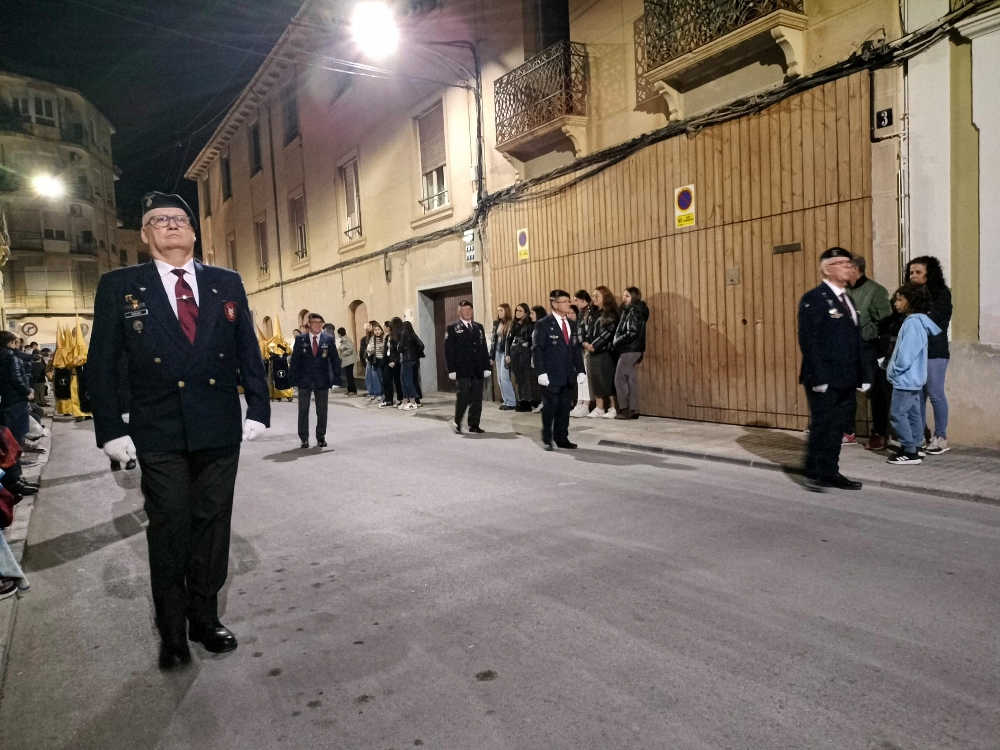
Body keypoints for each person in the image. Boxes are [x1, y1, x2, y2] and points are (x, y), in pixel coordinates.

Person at [88, 191, 270, 670]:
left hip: (216, 423)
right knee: (169, 526)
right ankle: (172, 631)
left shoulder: (225, 282)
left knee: (212, 525)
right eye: (158, 220)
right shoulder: (119, 286)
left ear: (193, 231)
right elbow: (102, 363)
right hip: (158, 426)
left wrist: (258, 405)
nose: (171, 225)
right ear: (145, 235)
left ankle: (204, 619)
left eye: (179, 219)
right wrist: (110, 428)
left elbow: (246, 346)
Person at [797, 247, 867, 492]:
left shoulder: (848, 299)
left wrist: (864, 374)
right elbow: (809, 341)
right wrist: (818, 377)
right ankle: (814, 471)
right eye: (841, 263)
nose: (848, 267)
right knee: (823, 424)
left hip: (846, 376)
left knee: (838, 426)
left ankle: (831, 471)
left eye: (849, 263)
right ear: (827, 269)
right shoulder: (814, 298)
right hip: (824, 376)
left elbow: (855, 341)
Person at [885, 283, 941, 465]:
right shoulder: (917, 321)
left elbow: (907, 353)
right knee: (914, 413)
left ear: (912, 301)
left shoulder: (913, 323)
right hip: (913, 379)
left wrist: (895, 370)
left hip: (905, 379)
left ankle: (909, 451)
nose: (896, 302)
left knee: (897, 414)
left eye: (900, 299)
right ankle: (915, 446)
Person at [906, 256, 952, 454]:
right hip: (915, 351)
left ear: (929, 273)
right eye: (911, 273)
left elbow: (937, 323)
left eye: (918, 272)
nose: (913, 276)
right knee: (918, 396)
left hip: (934, 350)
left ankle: (940, 437)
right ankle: (920, 436)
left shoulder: (941, 294)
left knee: (935, 393)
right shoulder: (908, 294)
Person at [847, 256, 892, 450]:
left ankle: (879, 433)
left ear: (855, 269)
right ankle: (847, 431)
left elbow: (885, 321)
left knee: (875, 392)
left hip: (868, 348)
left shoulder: (876, 291)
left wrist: (865, 330)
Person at [533, 290, 585, 450]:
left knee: (564, 408)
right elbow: (537, 349)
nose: (568, 304)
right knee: (550, 406)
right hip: (550, 374)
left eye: (569, 301)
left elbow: (575, 349)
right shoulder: (543, 324)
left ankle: (562, 437)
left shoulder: (571, 324)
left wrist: (581, 370)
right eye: (564, 301)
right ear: (555, 304)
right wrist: (541, 372)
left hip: (567, 374)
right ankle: (547, 437)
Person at [290, 313, 341, 448]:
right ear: (309, 324)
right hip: (304, 380)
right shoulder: (300, 339)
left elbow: (335, 359)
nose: (317, 325)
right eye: (314, 322)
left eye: (320, 322)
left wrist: (336, 378)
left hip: (322, 379)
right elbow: (295, 360)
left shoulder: (328, 339)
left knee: (322, 410)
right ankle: (304, 438)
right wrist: (292, 379)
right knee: (303, 410)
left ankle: (320, 436)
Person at [444, 300, 491, 434]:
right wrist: (451, 370)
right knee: (463, 396)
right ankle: (457, 422)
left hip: (477, 368)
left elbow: (483, 348)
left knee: (477, 397)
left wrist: (486, 366)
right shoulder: (453, 328)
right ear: (459, 311)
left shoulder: (478, 327)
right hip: (462, 369)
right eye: (464, 309)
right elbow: (448, 351)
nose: (467, 312)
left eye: (469, 309)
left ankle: (474, 424)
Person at [582, 285, 619, 418]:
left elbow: (609, 332)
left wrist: (595, 345)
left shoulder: (611, 313)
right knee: (596, 379)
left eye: (597, 296)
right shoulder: (592, 313)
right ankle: (599, 407)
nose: (594, 298)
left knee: (607, 379)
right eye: (593, 296)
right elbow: (584, 328)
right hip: (592, 350)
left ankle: (613, 407)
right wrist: (585, 342)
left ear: (605, 297)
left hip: (605, 351)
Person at [612, 287, 648, 420]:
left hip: (629, 349)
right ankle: (633, 408)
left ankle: (625, 409)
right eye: (623, 295)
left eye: (627, 296)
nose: (623, 298)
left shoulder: (633, 312)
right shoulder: (636, 311)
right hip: (636, 349)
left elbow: (631, 332)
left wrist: (617, 341)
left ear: (634, 297)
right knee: (631, 379)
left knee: (619, 378)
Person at [0, 332, 35, 448]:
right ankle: (16, 460)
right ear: (10, 343)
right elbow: (16, 378)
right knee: (18, 431)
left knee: (7, 432)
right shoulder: (11, 356)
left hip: (4, 399)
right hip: (16, 399)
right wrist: (27, 392)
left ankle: (10, 460)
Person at [569, 291, 594, 418]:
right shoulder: (583, 314)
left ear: (584, 300)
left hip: (588, 347)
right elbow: (581, 331)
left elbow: (588, 330)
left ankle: (586, 404)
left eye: (576, 300)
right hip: (582, 347)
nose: (575, 303)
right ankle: (580, 402)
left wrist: (585, 342)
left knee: (585, 378)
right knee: (581, 378)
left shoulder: (590, 312)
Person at [506, 303, 534, 412]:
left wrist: (528, 345)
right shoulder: (513, 324)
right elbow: (508, 340)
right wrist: (507, 354)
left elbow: (532, 339)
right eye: (516, 310)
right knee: (517, 377)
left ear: (526, 312)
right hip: (514, 351)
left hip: (524, 351)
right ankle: (520, 400)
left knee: (525, 376)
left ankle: (527, 401)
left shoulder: (529, 324)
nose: (517, 313)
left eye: (520, 311)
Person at [489, 304, 516, 411]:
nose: (499, 312)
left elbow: (509, 341)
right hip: (497, 352)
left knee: (505, 377)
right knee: (499, 379)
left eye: (501, 310)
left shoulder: (511, 324)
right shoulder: (497, 323)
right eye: (498, 310)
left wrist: (508, 354)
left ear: (506, 311)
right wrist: (491, 356)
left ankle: (512, 401)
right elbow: (493, 340)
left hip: (505, 352)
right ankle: (506, 400)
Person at [398, 321, 424, 410]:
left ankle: (412, 402)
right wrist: (416, 353)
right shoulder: (413, 334)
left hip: (406, 360)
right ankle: (405, 401)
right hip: (414, 360)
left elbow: (400, 348)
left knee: (406, 381)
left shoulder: (403, 334)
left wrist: (404, 348)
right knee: (407, 380)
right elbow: (421, 345)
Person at [380, 319, 403, 409]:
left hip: (395, 362)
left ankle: (400, 399)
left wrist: (395, 361)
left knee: (397, 381)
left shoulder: (396, 337)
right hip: (387, 361)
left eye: (385, 327)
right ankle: (388, 399)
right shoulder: (386, 337)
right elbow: (386, 350)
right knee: (386, 381)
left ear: (389, 327)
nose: (384, 329)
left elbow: (397, 351)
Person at [529, 306, 547, 410]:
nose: (530, 316)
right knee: (539, 382)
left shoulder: (542, 326)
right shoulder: (535, 326)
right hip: (536, 355)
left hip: (544, 357)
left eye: (532, 313)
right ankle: (542, 401)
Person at [365, 322, 386, 403]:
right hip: (375, 360)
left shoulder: (384, 337)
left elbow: (383, 348)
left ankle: (383, 393)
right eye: (375, 330)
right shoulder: (372, 339)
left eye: (378, 329)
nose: (377, 331)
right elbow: (369, 349)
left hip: (383, 360)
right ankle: (377, 393)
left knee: (382, 377)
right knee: (375, 377)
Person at [336, 327, 359, 396]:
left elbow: (350, 349)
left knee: (349, 376)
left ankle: (353, 390)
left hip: (349, 360)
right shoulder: (344, 340)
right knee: (348, 375)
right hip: (347, 360)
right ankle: (349, 390)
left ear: (339, 334)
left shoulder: (346, 340)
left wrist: (343, 354)